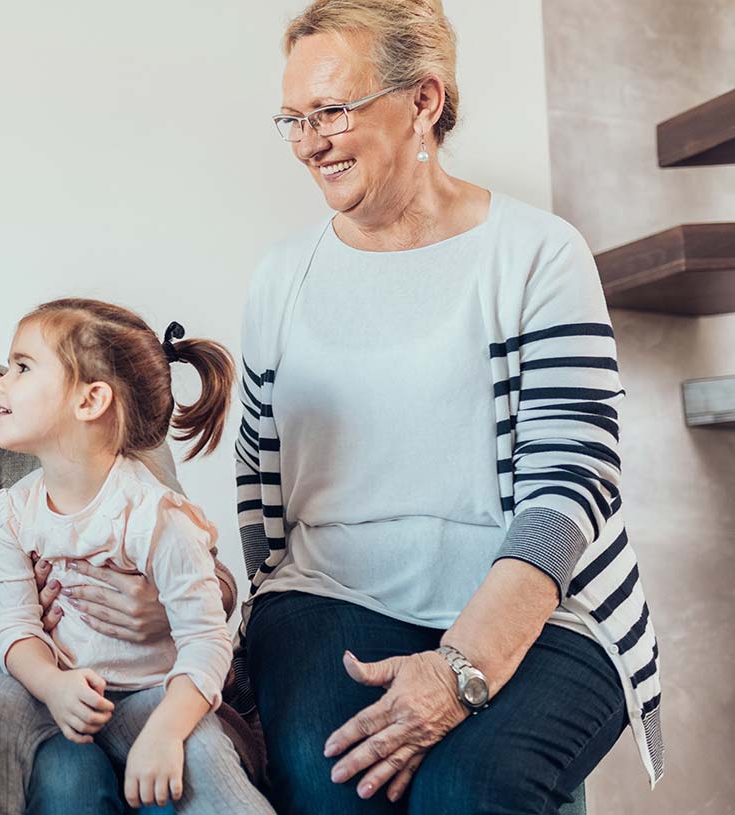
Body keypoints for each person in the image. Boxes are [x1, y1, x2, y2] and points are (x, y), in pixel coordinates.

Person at [236, 1, 664, 812]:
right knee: (333, 782)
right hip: (331, 592)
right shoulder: (281, 277)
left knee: (471, 789)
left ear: (424, 101)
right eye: (293, 117)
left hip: (541, 602)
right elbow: (260, 487)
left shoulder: (536, 253)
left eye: (331, 110)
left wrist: (462, 668)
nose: (309, 141)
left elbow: (569, 483)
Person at [0, 247, 265, 815]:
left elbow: (208, 586)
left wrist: (159, 609)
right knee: (66, 781)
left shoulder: (85, 404)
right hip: (36, 704)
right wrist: (21, 641)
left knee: (186, 771)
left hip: (160, 686)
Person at [0, 298, 272, 815]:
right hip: (54, 690)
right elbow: (15, 628)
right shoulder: (11, 515)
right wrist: (53, 685)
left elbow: (205, 640)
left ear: (90, 401)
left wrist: (166, 729)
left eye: (22, 367)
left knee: (199, 749)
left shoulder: (158, 519)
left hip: (150, 696)